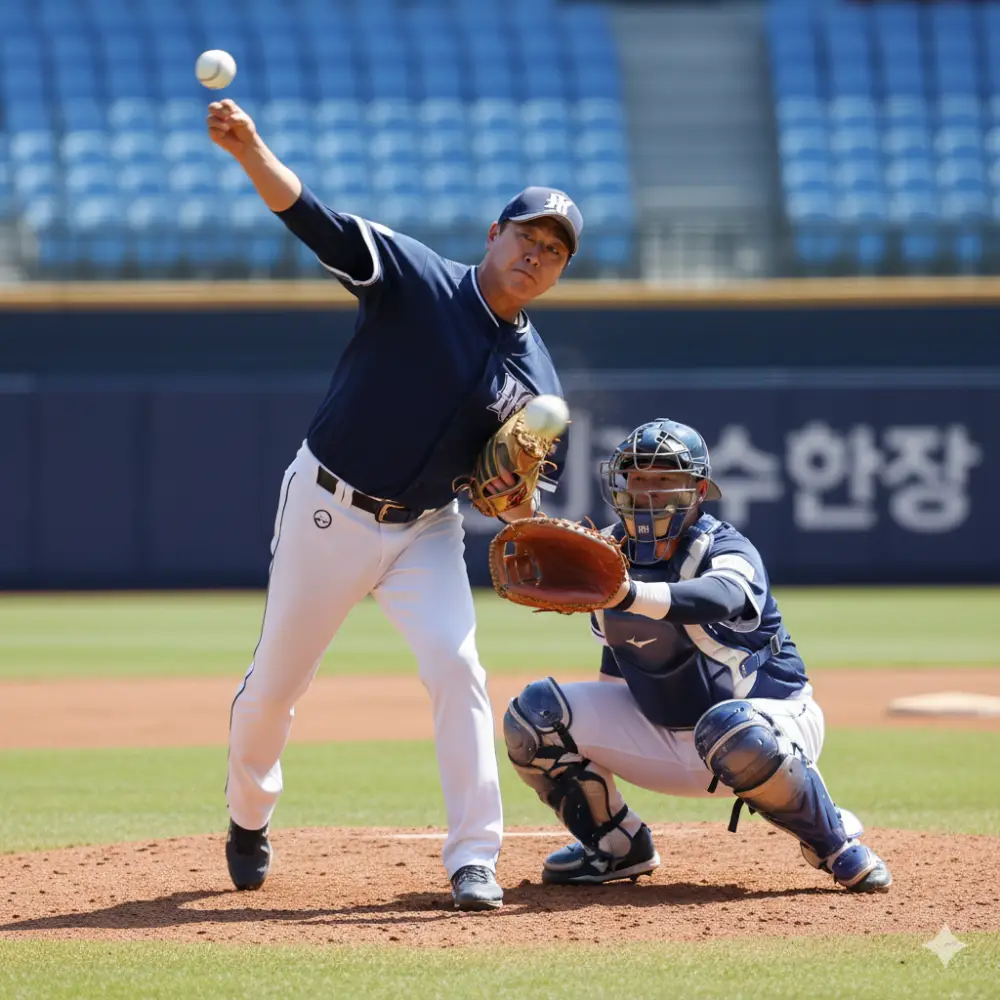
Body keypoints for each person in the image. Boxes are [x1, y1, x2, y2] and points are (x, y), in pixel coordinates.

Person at [206, 98, 583, 911]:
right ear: (494, 234)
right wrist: (250, 151)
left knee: (459, 667)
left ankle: (473, 857)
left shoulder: (540, 381)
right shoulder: (416, 279)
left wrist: (511, 500)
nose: (536, 255)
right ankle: (248, 815)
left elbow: (519, 504)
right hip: (328, 509)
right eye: (528, 237)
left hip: (425, 530)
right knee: (276, 687)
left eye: (553, 252)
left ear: (559, 271)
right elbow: (314, 221)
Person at [502, 418, 892, 893]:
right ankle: (617, 847)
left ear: (698, 488)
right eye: (638, 478)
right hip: (669, 737)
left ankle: (833, 843)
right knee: (534, 716)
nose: (648, 492)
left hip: (771, 725)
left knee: (730, 727)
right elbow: (618, 668)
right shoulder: (605, 554)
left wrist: (629, 596)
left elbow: (721, 595)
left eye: (665, 479)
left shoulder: (724, 546)